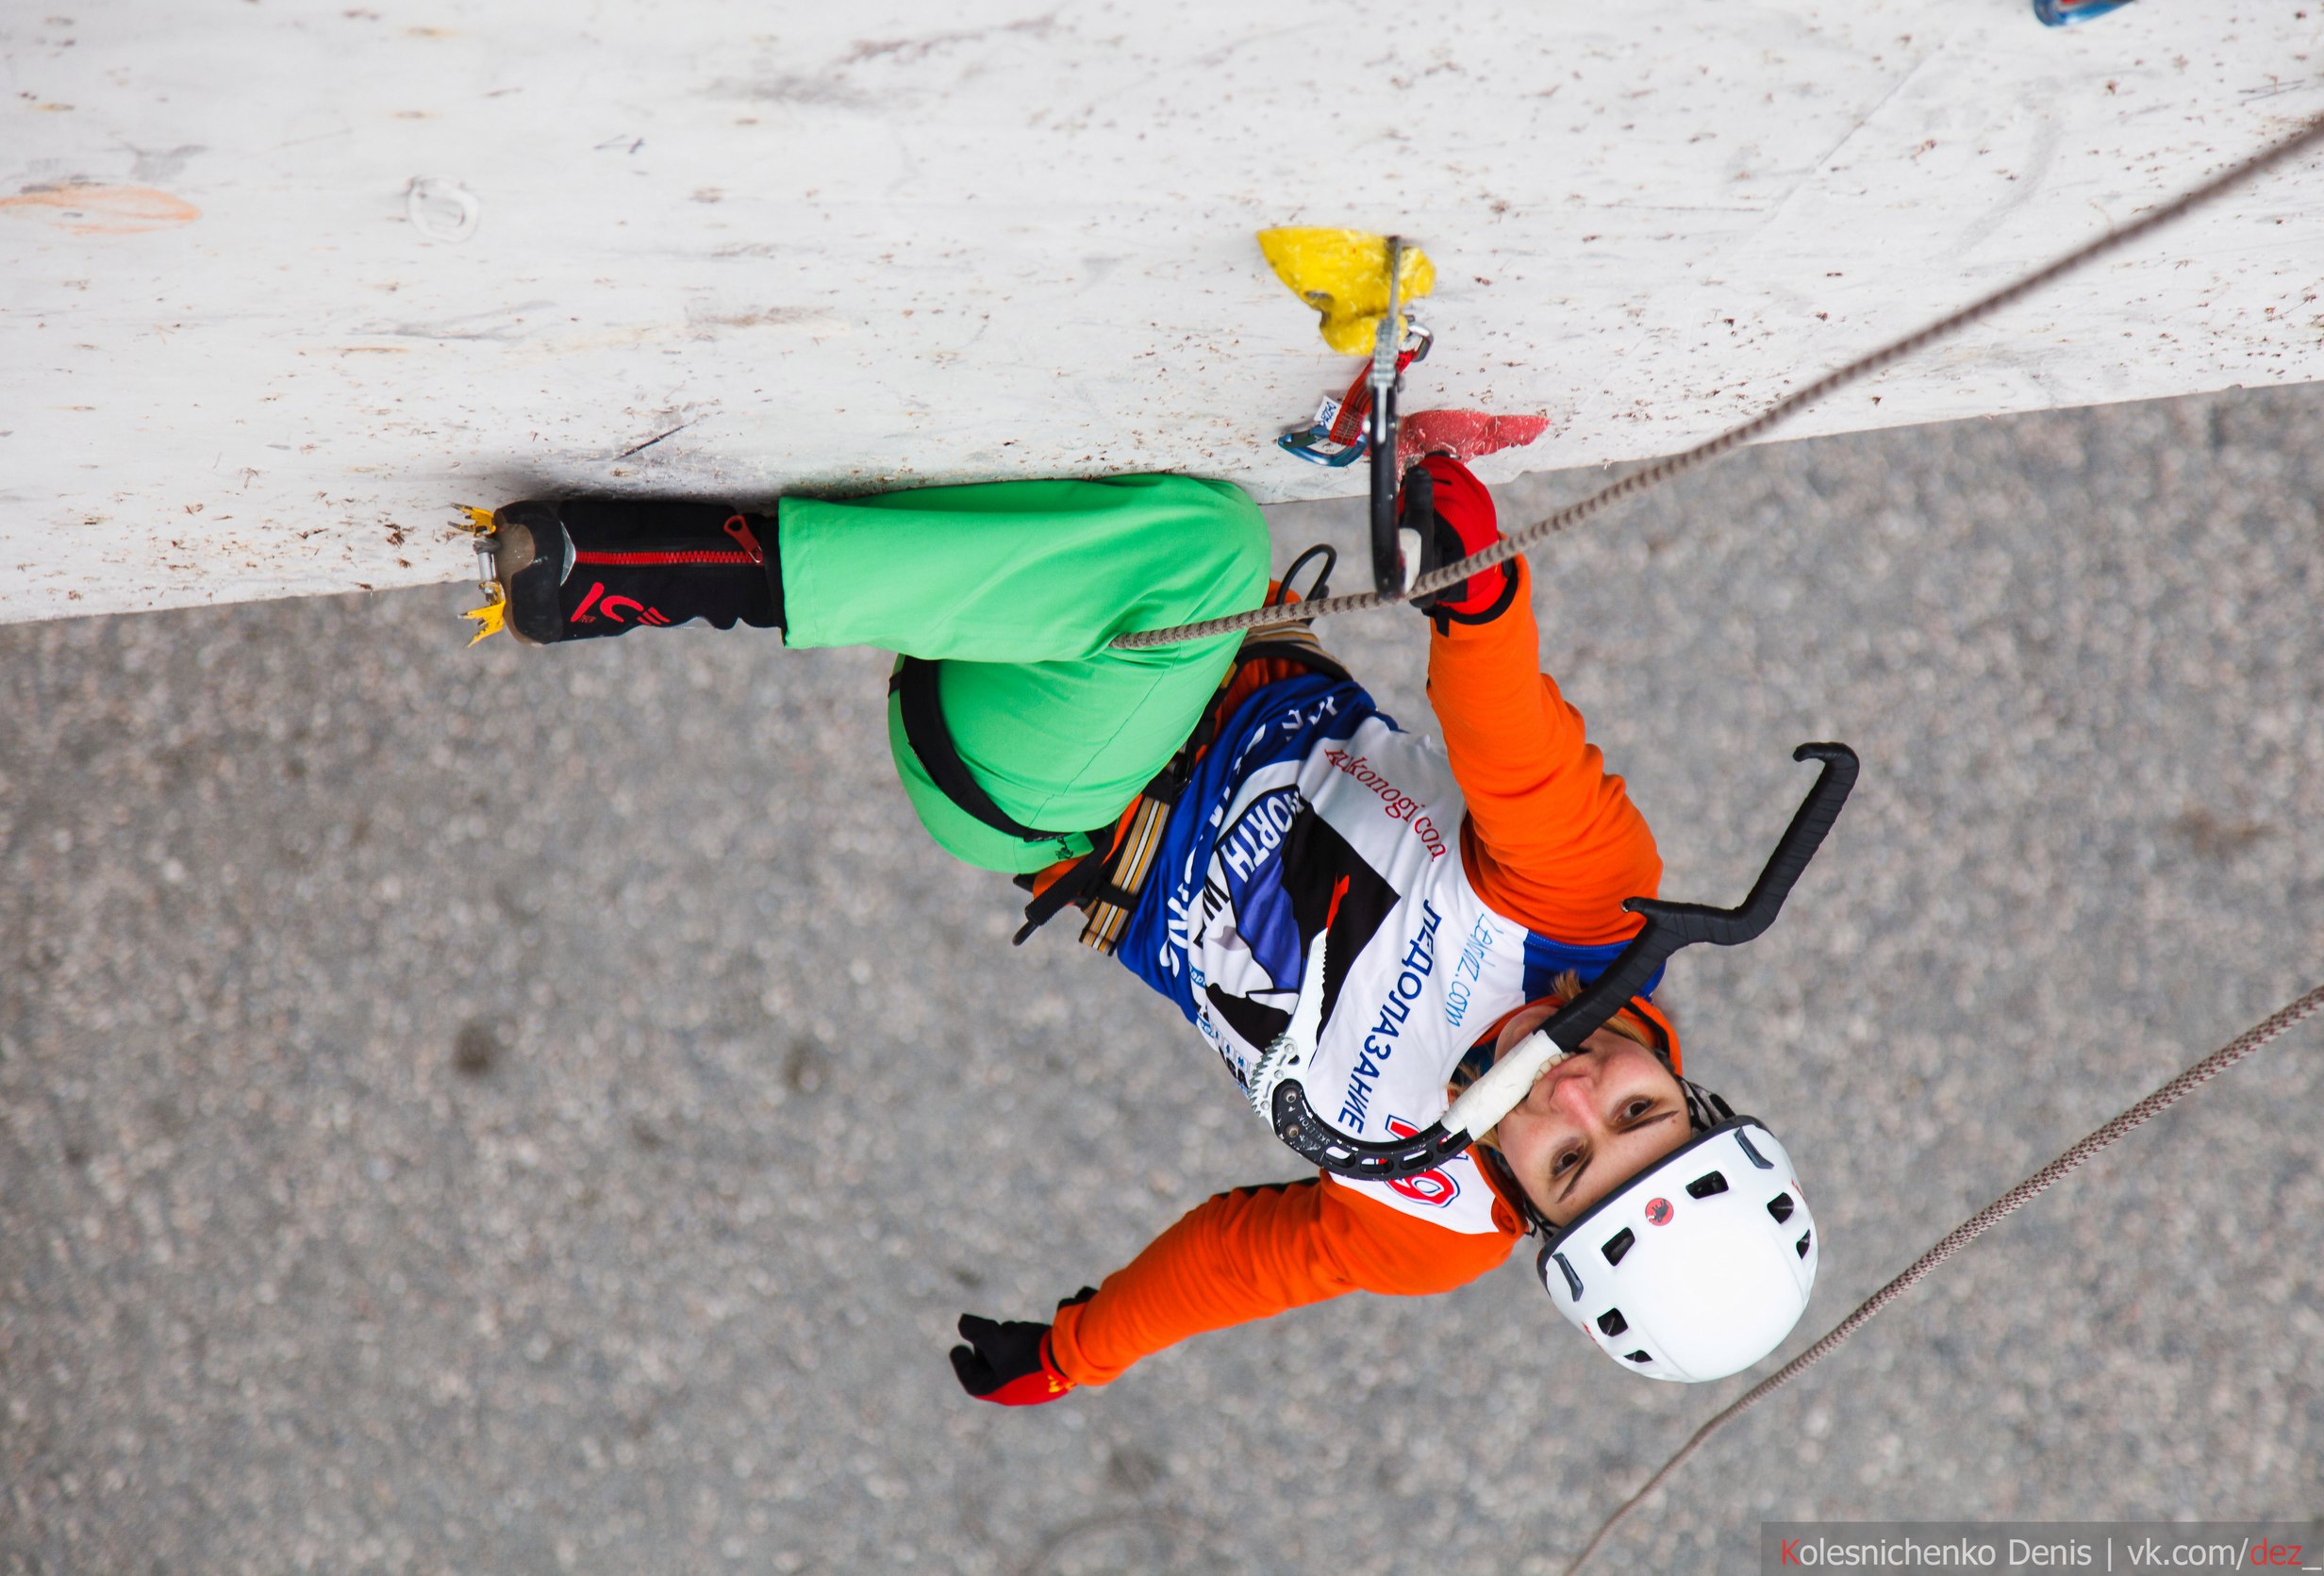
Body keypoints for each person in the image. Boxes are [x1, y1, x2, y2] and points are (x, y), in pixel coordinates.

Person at [480, 458, 1819, 1402]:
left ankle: (680, 576)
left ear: (1527, 1215)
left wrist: (1081, 1348)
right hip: (1157, 651)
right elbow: (1513, 744)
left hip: (1041, 786)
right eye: (1644, 1113)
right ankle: (928, 568)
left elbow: (1237, 1262)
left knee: (1205, 550)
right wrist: (1476, 599)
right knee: (1180, 569)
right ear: (1695, 1092)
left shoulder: (1426, 1220)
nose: (1579, 1092)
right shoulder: (1594, 918)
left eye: (1571, 1159)